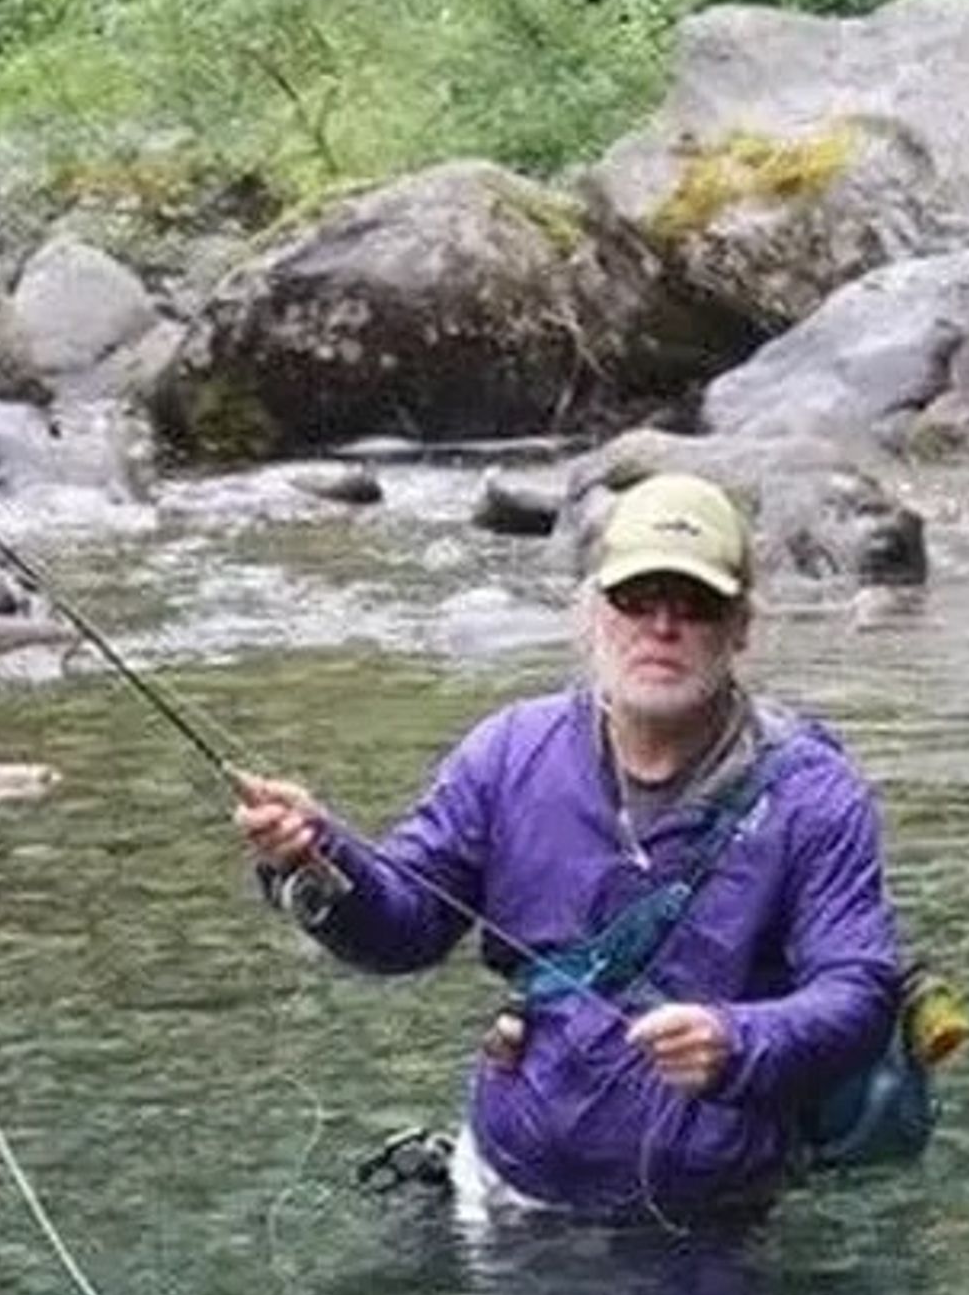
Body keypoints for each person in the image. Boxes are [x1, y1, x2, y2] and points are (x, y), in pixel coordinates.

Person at [232, 472, 908, 1225]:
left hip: (712, 1217)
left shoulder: (814, 792)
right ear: (591, 612)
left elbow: (859, 993)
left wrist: (738, 1041)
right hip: (507, 1190)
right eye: (636, 597)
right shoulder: (509, 752)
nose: (662, 625)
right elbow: (407, 928)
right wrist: (317, 862)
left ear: (742, 625)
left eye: (696, 603)